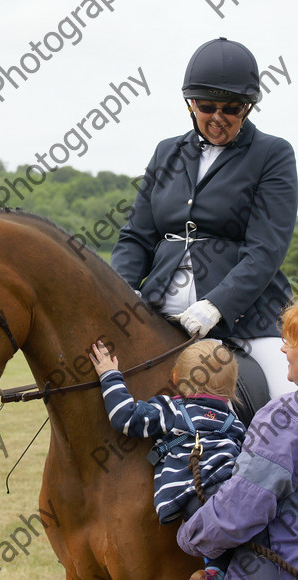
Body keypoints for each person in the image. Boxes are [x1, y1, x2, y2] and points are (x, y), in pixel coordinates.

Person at [111, 37, 298, 398]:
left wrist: (217, 305)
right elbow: (136, 235)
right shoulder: (168, 152)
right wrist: (123, 290)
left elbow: (266, 249)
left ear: (247, 108)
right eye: (206, 106)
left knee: (286, 399)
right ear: (190, 104)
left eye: (230, 108)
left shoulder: (272, 154)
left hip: (247, 322)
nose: (217, 117)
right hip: (159, 313)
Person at [90, 339, 246, 579]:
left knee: (207, 527)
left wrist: (110, 375)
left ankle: (215, 571)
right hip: (233, 494)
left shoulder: (172, 410)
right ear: (232, 387)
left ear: (175, 378)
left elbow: (125, 417)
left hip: (193, 498)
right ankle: (219, 569)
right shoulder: (233, 422)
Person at [177, 301, 298, 579]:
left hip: (246, 323)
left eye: (291, 342)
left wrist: (189, 536)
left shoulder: (283, 417)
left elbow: (242, 509)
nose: (283, 348)